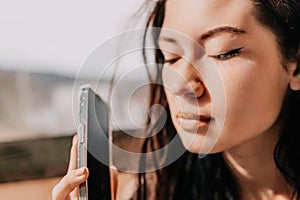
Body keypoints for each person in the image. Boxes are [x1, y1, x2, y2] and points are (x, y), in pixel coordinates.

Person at [52, 0, 300, 199]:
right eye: (170, 57)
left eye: (221, 53)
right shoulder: (154, 193)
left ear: (296, 66)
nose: (180, 83)